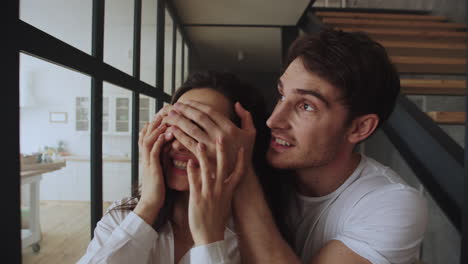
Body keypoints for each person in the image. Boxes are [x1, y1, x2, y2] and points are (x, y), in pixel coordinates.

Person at [160, 28, 428, 264]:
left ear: (359, 128)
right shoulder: (263, 162)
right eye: (281, 95)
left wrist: (240, 169)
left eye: (306, 106)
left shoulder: (391, 204)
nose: (274, 120)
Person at [77, 71, 268, 264]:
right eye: (175, 123)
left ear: (239, 147)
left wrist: (209, 240)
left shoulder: (255, 241)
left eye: (202, 128)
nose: (178, 144)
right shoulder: (123, 216)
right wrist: (148, 205)